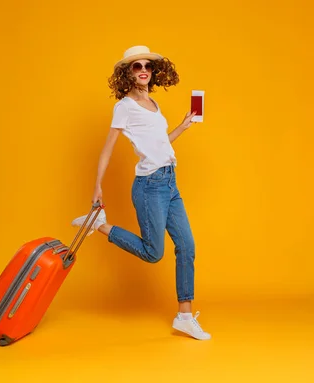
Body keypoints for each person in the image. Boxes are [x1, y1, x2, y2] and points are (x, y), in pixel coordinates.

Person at [71, 45, 211, 341]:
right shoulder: (124, 106)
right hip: (150, 187)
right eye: (137, 66)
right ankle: (100, 225)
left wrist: (182, 127)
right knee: (153, 253)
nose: (144, 69)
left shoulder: (152, 104)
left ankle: (184, 316)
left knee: (187, 247)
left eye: (147, 65)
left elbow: (159, 145)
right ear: (128, 73)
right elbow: (107, 149)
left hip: (170, 182)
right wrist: (97, 185)